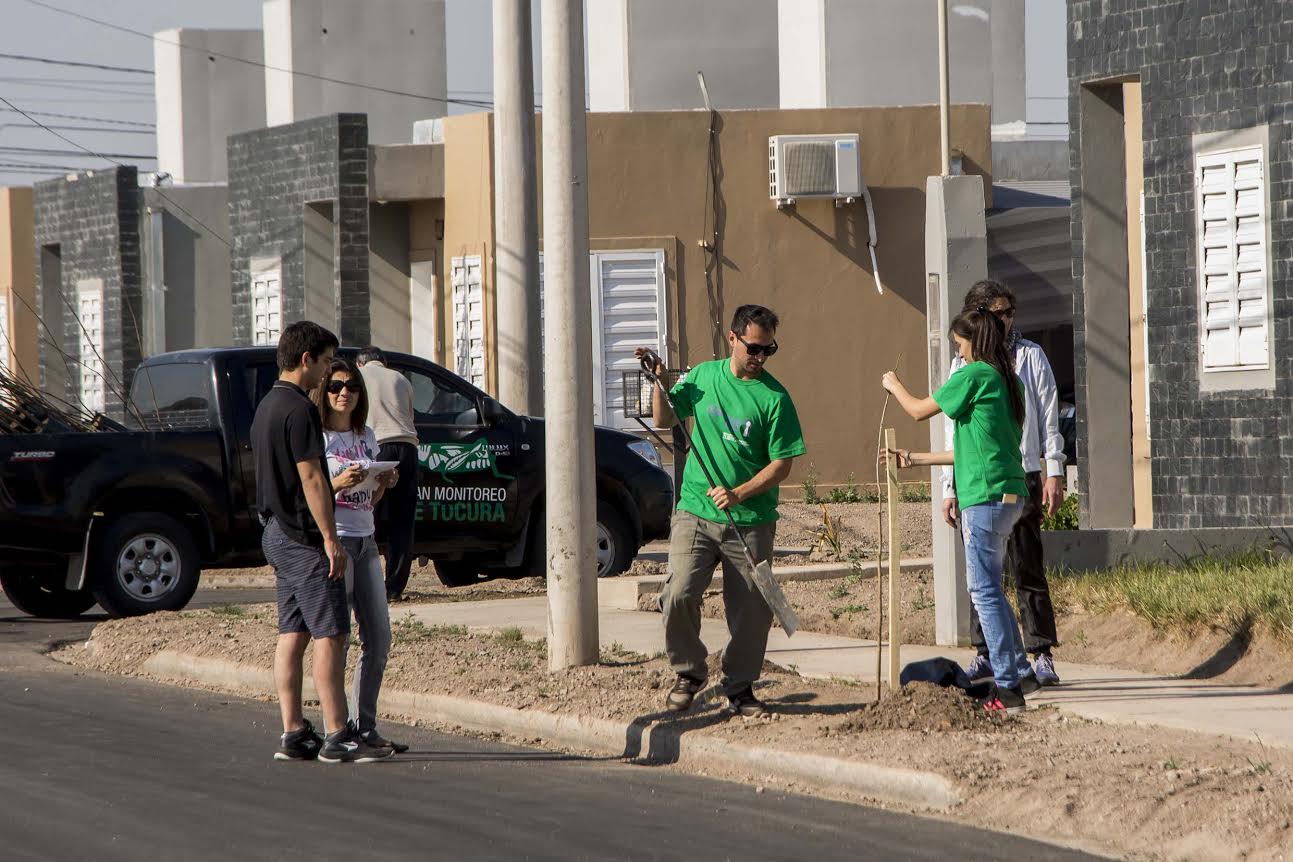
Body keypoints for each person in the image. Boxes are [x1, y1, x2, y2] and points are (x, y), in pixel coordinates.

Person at [635, 304, 806, 719]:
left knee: (752, 613)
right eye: (753, 348)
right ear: (732, 338)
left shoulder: (775, 399)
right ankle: (689, 672)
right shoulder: (702, 377)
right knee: (677, 594)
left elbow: (782, 464)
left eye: (769, 350)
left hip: (749, 521)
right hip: (695, 509)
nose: (760, 357)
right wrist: (660, 381)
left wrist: (740, 492)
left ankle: (740, 685)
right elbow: (663, 418)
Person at [882, 307, 1033, 714]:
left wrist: (894, 384)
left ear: (974, 341)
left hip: (982, 498)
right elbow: (967, 450)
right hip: (1008, 495)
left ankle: (1008, 690)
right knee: (992, 589)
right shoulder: (1006, 381)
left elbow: (916, 409)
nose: (958, 352)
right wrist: (912, 458)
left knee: (983, 591)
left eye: (960, 344)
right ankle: (1021, 670)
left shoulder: (973, 374)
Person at [251, 321, 386, 763]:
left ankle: (293, 730)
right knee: (332, 634)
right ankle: (336, 735)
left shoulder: (266, 406)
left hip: (274, 531)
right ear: (306, 359)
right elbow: (311, 477)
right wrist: (329, 538)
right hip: (303, 537)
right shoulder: (300, 410)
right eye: (327, 362)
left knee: (292, 633)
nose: (329, 373)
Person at [943, 280, 1066, 686]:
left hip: (1023, 473)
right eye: (998, 314)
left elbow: (1050, 414)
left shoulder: (1029, 356)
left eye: (1010, 313)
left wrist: (1054, 471)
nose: (1007, 321)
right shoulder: (964, 364)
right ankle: (987, 653)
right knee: (984, 576)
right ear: (979, 318)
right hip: (976, 481)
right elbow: (952, 430)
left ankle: (1041, 653)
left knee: (1027, 567)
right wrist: (949, 486)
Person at [313, 357, 407, 756]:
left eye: (351, 386)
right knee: (338, 638)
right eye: (335, 386)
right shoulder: (317, 438)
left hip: (367, 542)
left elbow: (370, 495)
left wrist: (382, 481)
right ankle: (336, 729)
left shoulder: (366, 434)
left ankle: (364, 725)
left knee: (379, 639)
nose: (344, 393)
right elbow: (312, 491)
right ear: (324, 392)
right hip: (337, 542)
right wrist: (339, 481)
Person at [356, 346, 419, 601]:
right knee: (403, 521)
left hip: (377, 446)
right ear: (383, 362)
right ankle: (393, 587)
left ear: (360, 363)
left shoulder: (358, 377)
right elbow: (410, 417)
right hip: (407, 447)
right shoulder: (401, 379)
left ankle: (365, 579)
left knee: (367, 513)